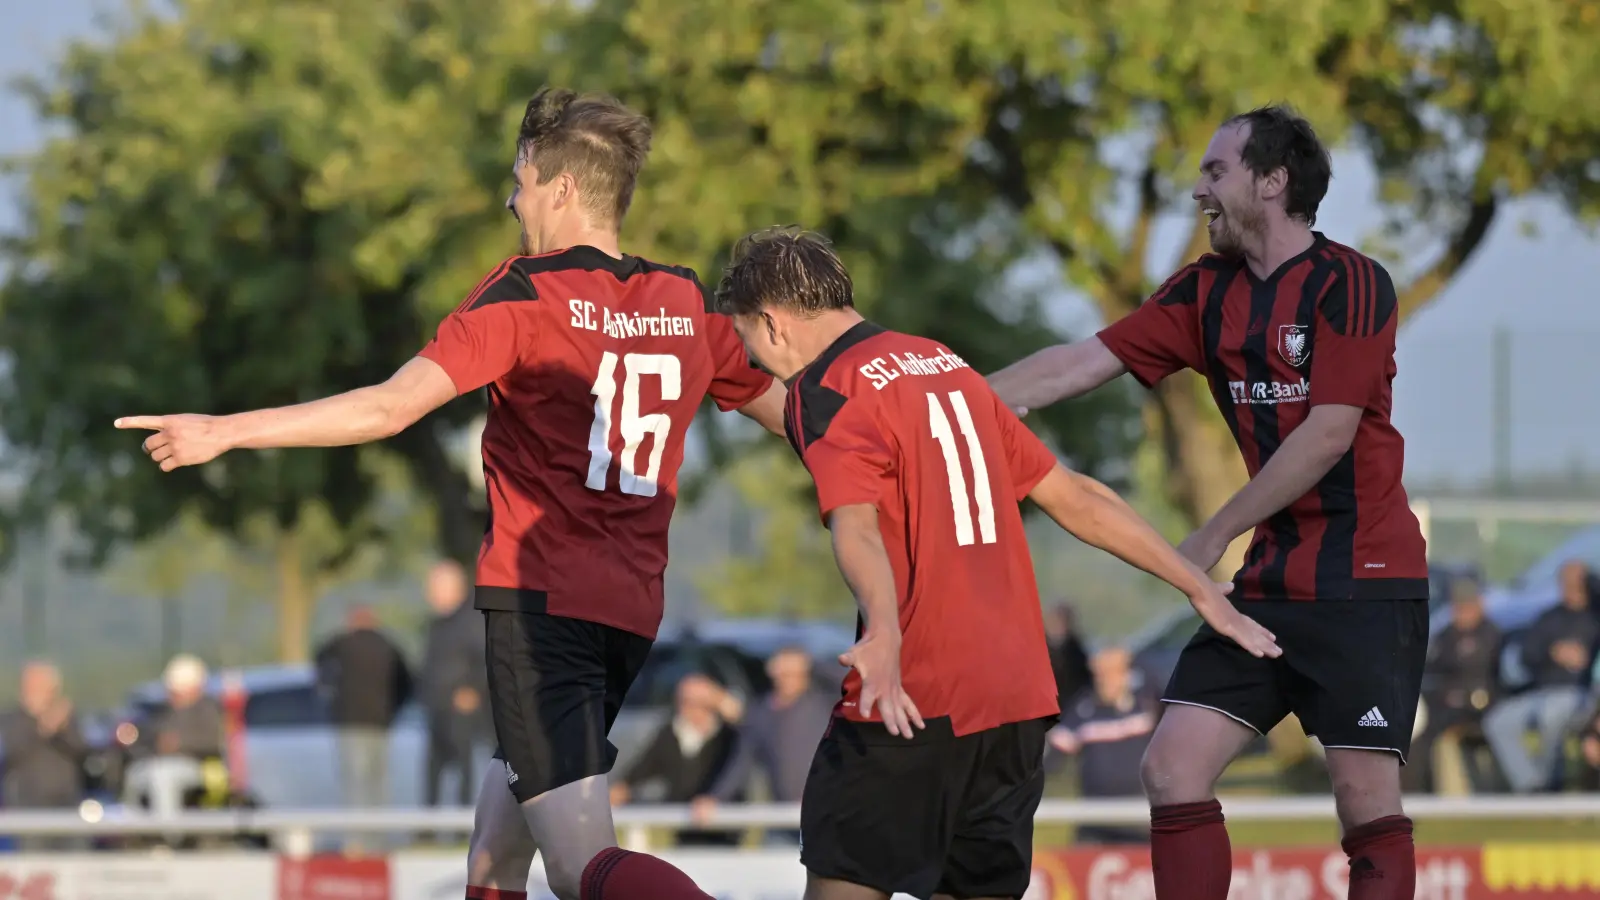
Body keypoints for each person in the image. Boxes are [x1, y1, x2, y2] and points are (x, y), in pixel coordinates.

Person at [115, 88, 786, 900]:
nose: (512, 198)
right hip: (629, 613)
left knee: (583, 870)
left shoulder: (523, 296)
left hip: (543, 617)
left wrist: (225, 431)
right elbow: (801, 415)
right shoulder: (683, 302)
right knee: (495, 856)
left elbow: (390, 407)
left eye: (521, 178)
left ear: (561, 189)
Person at [712, 226, 1277, 900]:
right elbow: (1075, 495)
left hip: (914, 697)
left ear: (771, 323)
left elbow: (856, 527)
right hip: (1016, 703)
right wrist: (1198, 587)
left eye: (748, 342)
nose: (760, 364)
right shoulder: (944, 368)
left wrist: (885, 630)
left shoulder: (828, 390)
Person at [988, 105, 1429, 900]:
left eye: (1215, 172)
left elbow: (1328, 435)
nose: (1198, 191)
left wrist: (1214, 532)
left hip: (1364, 580)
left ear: (1272, 180)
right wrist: (943, 404)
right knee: (1170, 768)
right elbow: (1078, 364)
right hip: (1267, 585)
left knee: (1364, 798)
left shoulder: (1353, 283)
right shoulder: (1204, 291)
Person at [692, 646, 836, 843]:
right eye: (782, 672)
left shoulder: (822, 703)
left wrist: (812, 663)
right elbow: (741, 762)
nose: (787, 678)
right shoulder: (761, 712)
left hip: (827, 817)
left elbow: (849, 680)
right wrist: (715, 797)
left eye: (793, 672)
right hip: (784, 821)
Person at [1481, 560, 1599, 793]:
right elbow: (1526, 656)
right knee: (1498, 722)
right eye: (1565, 582)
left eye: (1577, 582)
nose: (1571, 587)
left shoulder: (1595, 618)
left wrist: (1583, 657)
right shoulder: (1549, 618)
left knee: (1550, 714)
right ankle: (1532, 787)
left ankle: (1552, 784)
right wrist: (1552, 651)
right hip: (1542, 692)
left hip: (1580, 694)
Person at [314, 604, 414, 851]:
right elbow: (408, 682)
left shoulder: (342, 644)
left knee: (355, 785)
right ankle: (376, 841)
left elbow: (319, 659)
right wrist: (394, 709)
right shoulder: (388, 646)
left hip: (351, 723)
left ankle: (356, 842)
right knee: (377, 786)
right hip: (380, 723)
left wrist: (332, 698)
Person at [609, 674, 739, 847]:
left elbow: (742, 762)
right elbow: (644, 766)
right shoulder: (671, 734)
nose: (691, 708)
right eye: (685, 701)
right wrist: (620, 789)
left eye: (699, 702)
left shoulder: (730, 736)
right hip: (683, 827)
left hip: (724, 828)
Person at [1049, 646, 1159, 844]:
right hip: (1095, 815)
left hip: (1140, 816)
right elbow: (1052, 758)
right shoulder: (1083, 710)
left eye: (1110, 673)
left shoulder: (1146, 704)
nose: (1103, 680)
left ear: (1126, 673)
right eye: (1099, 674)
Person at [420, 559, 489, 809]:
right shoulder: (438, 623)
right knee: (432, 773)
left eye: (434, 586)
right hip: (436, 707)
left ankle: (464, 824)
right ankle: (427, 831)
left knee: (465, 770)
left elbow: (486, 659)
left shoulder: (471, 619)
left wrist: (472, 690)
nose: (429, 592)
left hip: (462, 710)